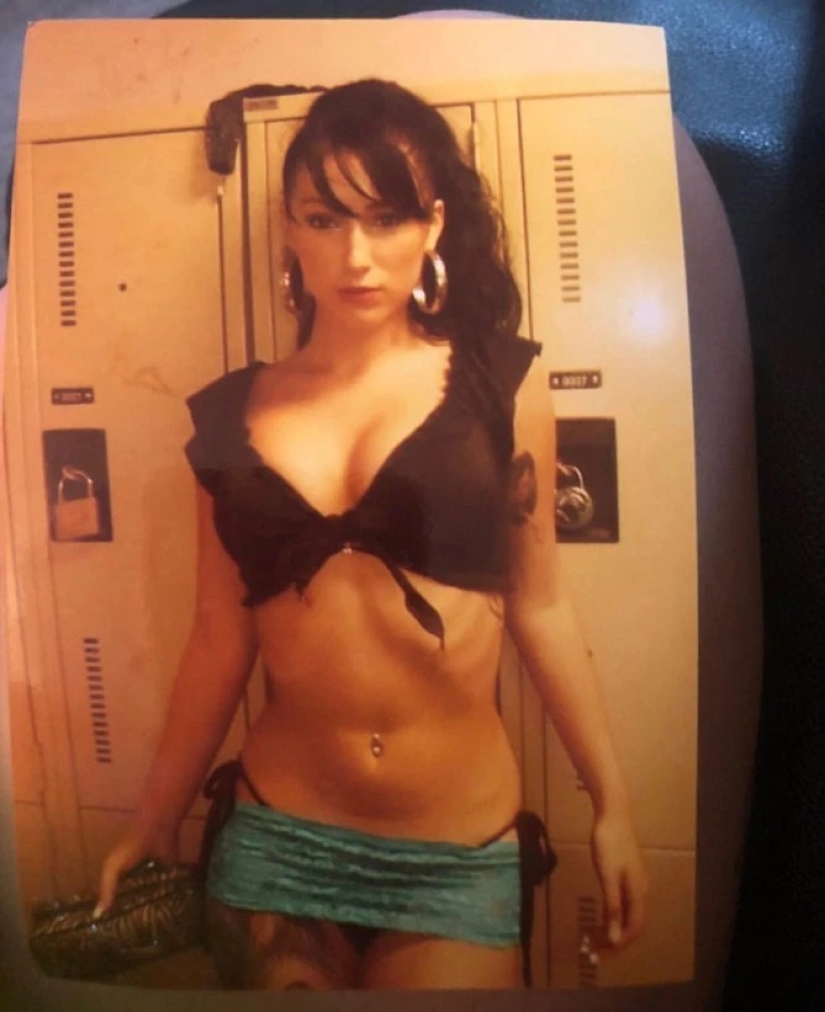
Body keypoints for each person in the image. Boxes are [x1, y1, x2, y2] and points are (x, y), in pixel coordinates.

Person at [96, 78, 647, 991]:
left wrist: (613, 805)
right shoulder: (230, 418)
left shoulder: (500, 392)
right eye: (324, 219)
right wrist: (155, 816)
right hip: (277, 837)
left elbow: (542, 609)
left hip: (456, 853)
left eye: (386, 218)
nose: (354, 255)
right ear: (289, 228)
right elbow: (218, 638)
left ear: (433, 227)